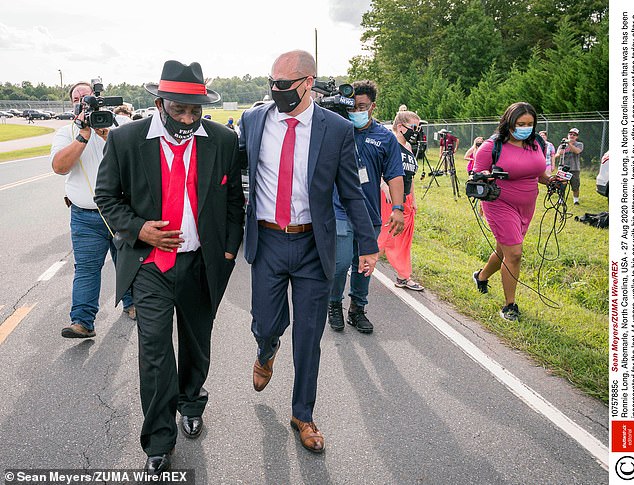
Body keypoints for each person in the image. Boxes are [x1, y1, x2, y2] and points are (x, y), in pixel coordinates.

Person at [94, 60, 244, 473]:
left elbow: (234, 204)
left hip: (201, 263)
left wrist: (229, 251)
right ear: (159, 103)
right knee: (156, 353)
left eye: (194, 111)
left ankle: (192, 401)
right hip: (149, 267)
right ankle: (158, 440)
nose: (188, 118)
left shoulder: (222, 140)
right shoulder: (125, 140)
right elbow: (107, 197)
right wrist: (141, 229)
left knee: (196, 344)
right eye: (179, 110)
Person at [239, 50, 379, 453]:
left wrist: (368, 244)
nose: (275, 90)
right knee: (265, 323)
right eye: (272, 82)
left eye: (284, 84)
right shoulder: (254, 119)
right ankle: (266, 350)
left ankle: (303, 414)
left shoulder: (334, 129)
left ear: (307, 83)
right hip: (266, 241)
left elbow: (351, 191)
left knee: (309, 337)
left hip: (311, 245)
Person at [51, 81, 135, 339]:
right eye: (76, 96)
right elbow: (60, 167)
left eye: (86, 94)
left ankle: (133, 304)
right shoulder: (66, 132)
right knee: (87, 269)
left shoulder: (119, 127)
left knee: (127, 263)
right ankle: (83, 321)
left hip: (120, 212)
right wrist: (83, 135)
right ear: (73, 104)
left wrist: (107, 133)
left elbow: (135, 161)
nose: (82, 99)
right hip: (85, 217)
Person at [328, 80, 404, 334]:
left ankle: (357, 309)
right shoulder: (337, 131)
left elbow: (394, 175)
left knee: (364, 265)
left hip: (370, 213)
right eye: (352, 108)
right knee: (339, 264)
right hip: (339, 210)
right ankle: (334, 304)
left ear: (372, 107)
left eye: (362, 107)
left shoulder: (385, 138)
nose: (356, 112)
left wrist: (398, 208)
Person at [472, 102, 552, 321]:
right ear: (509, 122)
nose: (525, 128)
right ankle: (510, 305)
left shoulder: (537, 143)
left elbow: (538, 173)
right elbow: (476, 175)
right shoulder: (491, 146)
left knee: (504, 251)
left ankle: (481, 276)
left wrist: (551, 181)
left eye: (530, 124)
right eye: (520, 123)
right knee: (514, 253)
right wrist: (486, 175)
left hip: (527, 204)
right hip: (499, 203)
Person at [377, 110, 423, 291]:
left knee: (403, 239)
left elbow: (410, 177)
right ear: (400, 127)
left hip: (406, 199)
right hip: (389, 198)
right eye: (413, 127)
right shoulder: (389, 143)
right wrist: (384, 186)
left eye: (417, 128)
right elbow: (378, 168)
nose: (416, 131)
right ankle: (360, 265)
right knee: (384, 236)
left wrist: (414, 200)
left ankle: (403, 276)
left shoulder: (409, 149)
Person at [554, 127, 584, 204]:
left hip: (574, 168)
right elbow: (557, 154)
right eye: (570, 134)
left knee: (575, 186)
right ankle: (561, 199)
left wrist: (569, 144)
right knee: (561, 185)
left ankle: (576, 200)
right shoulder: (562, 145)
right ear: (568, 135)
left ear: (577, 137)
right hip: (563, 168)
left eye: (574, 135)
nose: (572, 136)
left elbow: (577, 151)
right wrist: (562, 149)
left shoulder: (579, 144)